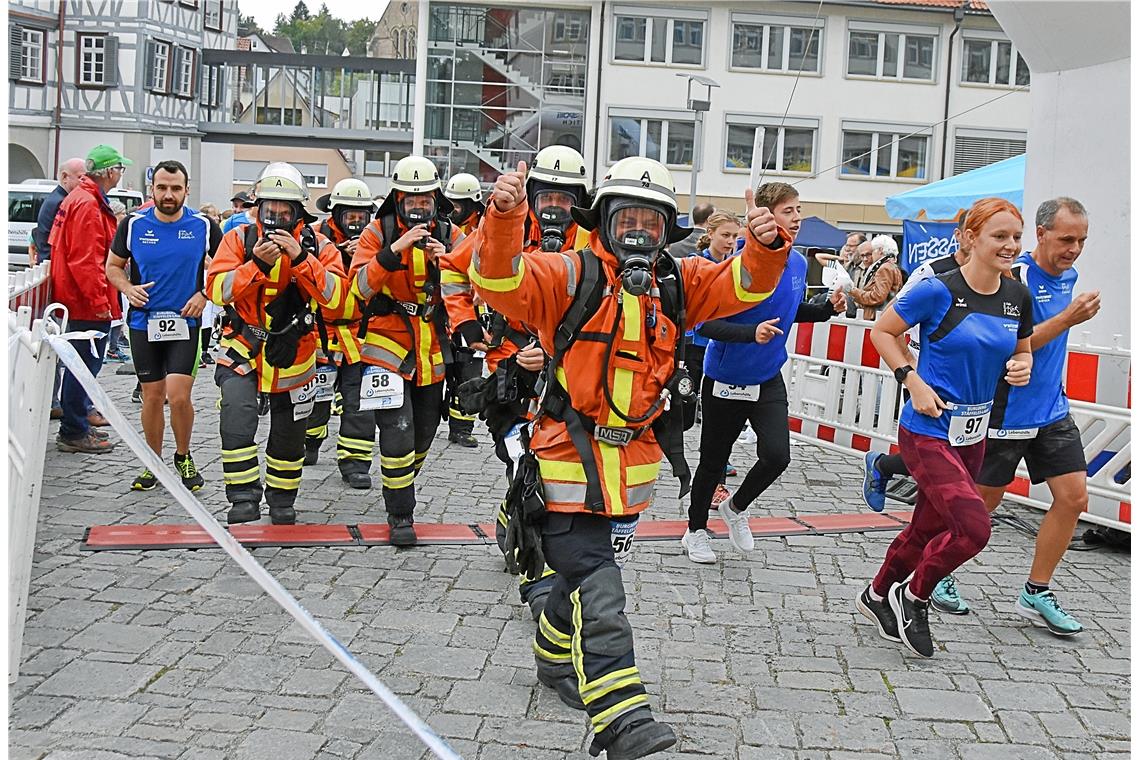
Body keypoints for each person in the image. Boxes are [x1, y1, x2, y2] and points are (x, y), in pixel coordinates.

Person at [475, 156, 791, 758]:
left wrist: (761, 245)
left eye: (652, 221)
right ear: (605, 220)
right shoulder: (568, 274)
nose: (640, 233)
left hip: (633, 467)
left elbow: (744, 286)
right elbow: (500, 283)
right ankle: (621, 718)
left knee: (575, 577)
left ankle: (551, 655)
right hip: (566, 458)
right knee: (601, 585)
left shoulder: (681, 281)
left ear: (668, 226)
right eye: (628, 219)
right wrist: (506, 214)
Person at [856, 197, 1033, 659]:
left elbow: (1023, 349)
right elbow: (882, 331)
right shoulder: (937, 288)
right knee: (974, 528)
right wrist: (910, 379)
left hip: (972, 434)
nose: (1011, 245)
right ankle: (915, 595)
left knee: (924, 530)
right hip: (927, 428)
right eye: (1000, 236)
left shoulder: (1017, 296)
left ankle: (876, 595)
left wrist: (1021, 365)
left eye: (1016, 237)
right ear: (971, 239)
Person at [439, 145, 593, 620]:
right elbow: (453, 269)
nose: (554, 207)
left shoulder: (592, 241)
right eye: (547, 195)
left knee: (550, 463)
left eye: (566, 198)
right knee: (519, 455)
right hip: (508, 369)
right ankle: (534, 558)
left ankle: (525, 531)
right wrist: (465, 325)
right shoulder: (502, 226)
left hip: (566, 373)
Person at [946, 197, 1098, 633]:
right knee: (981, 505)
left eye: (1082, 240)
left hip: (1051, 408)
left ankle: (1036, 590)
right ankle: (941, 571)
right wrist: (1070, 317)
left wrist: (1069, 314)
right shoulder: (1017, 276)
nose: (1074, 249)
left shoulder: (1070, 276)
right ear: (1042, 234)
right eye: (1066, 239)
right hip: (1007, 410)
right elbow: (1016, 338)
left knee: (1073, 499)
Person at [684, 183, 846, 564]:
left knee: (777, 455)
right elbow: (703, 325)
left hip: (768, 375)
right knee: (713, 461)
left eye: (798, 209)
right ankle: (695, 531)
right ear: (766, 215)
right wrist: (748, 334)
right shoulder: (737, 260)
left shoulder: (800, 262)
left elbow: (790, 309)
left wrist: (826, 309)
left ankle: (736, 508)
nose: (797, 217)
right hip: (727, 375)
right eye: (788, 210)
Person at [207, 162, 345, 525]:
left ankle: (282, 499)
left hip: (295, 352)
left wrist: (301, 259)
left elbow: (338, 299)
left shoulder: (320, 247)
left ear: (299, 213)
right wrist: (254, 264)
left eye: (286, 212)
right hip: (244, 346)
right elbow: (217, 290)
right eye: (271, 210)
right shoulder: (238, 240)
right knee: (236, 417)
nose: (277, 219)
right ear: (259, 209)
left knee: (289, 433)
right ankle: (242, 496)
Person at [349, 155, 461, 546]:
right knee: (397, 430)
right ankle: (400, 513)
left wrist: (441, 262)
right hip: (386, 342)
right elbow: (357, 288)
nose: (418, 207)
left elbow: (474, 286)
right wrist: (393, 251)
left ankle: (399, 483)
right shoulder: (376, 234)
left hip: (432, 346)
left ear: (436, 199)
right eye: (410, 199)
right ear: (396, 199)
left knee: (425, 432)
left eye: (425, 199)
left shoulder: (451, 233)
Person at [106, 159, 221, 491]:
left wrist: (204, 294)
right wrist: (127, 288)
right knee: (152, 396)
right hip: (144, 323)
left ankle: (183, 455)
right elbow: (112, 267)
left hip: (186, 322)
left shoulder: (203, 225)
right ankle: (152, 462)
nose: (168, 194)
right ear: (151, 189)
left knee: (179, 396)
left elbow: (228, 269)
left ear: (186, 190)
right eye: (162, 187)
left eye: (175, 188)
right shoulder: (132, 224)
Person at [862, 213, 971, 516]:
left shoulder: (998, 277)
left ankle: (885, 467)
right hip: (927, 373)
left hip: (969, 379)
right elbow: (891, 321)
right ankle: (889, 472)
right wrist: (908, 365)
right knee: (931, 448)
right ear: (960, 235)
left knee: (956, 449)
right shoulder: (931, 273)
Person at [48, 145, 133, 453]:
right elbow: (87, 261)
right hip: (84, 302)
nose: (120, 175)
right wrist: (100, 304)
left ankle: (77, 422)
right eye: (119, 170)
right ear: (109, 172)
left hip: (77, 298)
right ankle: (73, 430)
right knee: (82, 366)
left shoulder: (81, 199)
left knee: (82, 364)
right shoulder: (87, 204)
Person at [303, 177, 378, 489]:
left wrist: (365, 257)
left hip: (361, 334)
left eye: (362, 216)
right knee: (314, 397)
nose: (356, 223)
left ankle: (356, 462)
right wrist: (339, 255)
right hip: (320, 333)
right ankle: (308, 442)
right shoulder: (315, 239)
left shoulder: (376, 241)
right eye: (350, 216)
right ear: (335, 214)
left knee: (360, 400)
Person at [681, 210, 743, 502]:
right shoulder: (698, 264)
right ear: (710, 233)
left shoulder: (736, 265)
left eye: (734, 236)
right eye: (725, 235)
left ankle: (716, 474)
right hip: (696, 344)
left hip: (724, 348)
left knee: (720, 416)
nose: (730, 241)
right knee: (686, 413)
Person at [441, 172, 488, 447]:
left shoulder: (484, 230)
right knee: (447, 368)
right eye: (451, 203)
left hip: (475, 312)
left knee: (469, 370)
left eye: (459, 204)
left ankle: (462, 427)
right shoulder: (445, 230)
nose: (454, 209)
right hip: (448, 309)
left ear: (472, 204)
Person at [34, 156, 87, 263]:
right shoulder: (62, 202)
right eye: (81, 178)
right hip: (53, 262)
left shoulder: (57, 198)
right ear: (64, 177)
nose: (85, 183)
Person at [849, 235, 903, 321]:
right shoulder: (891, 266)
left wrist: (855, 292)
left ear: (880, 251)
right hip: (882, 316)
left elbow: (878, 297)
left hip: (875, 318)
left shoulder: (884, 268)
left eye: (873, 251)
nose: (872, 255)